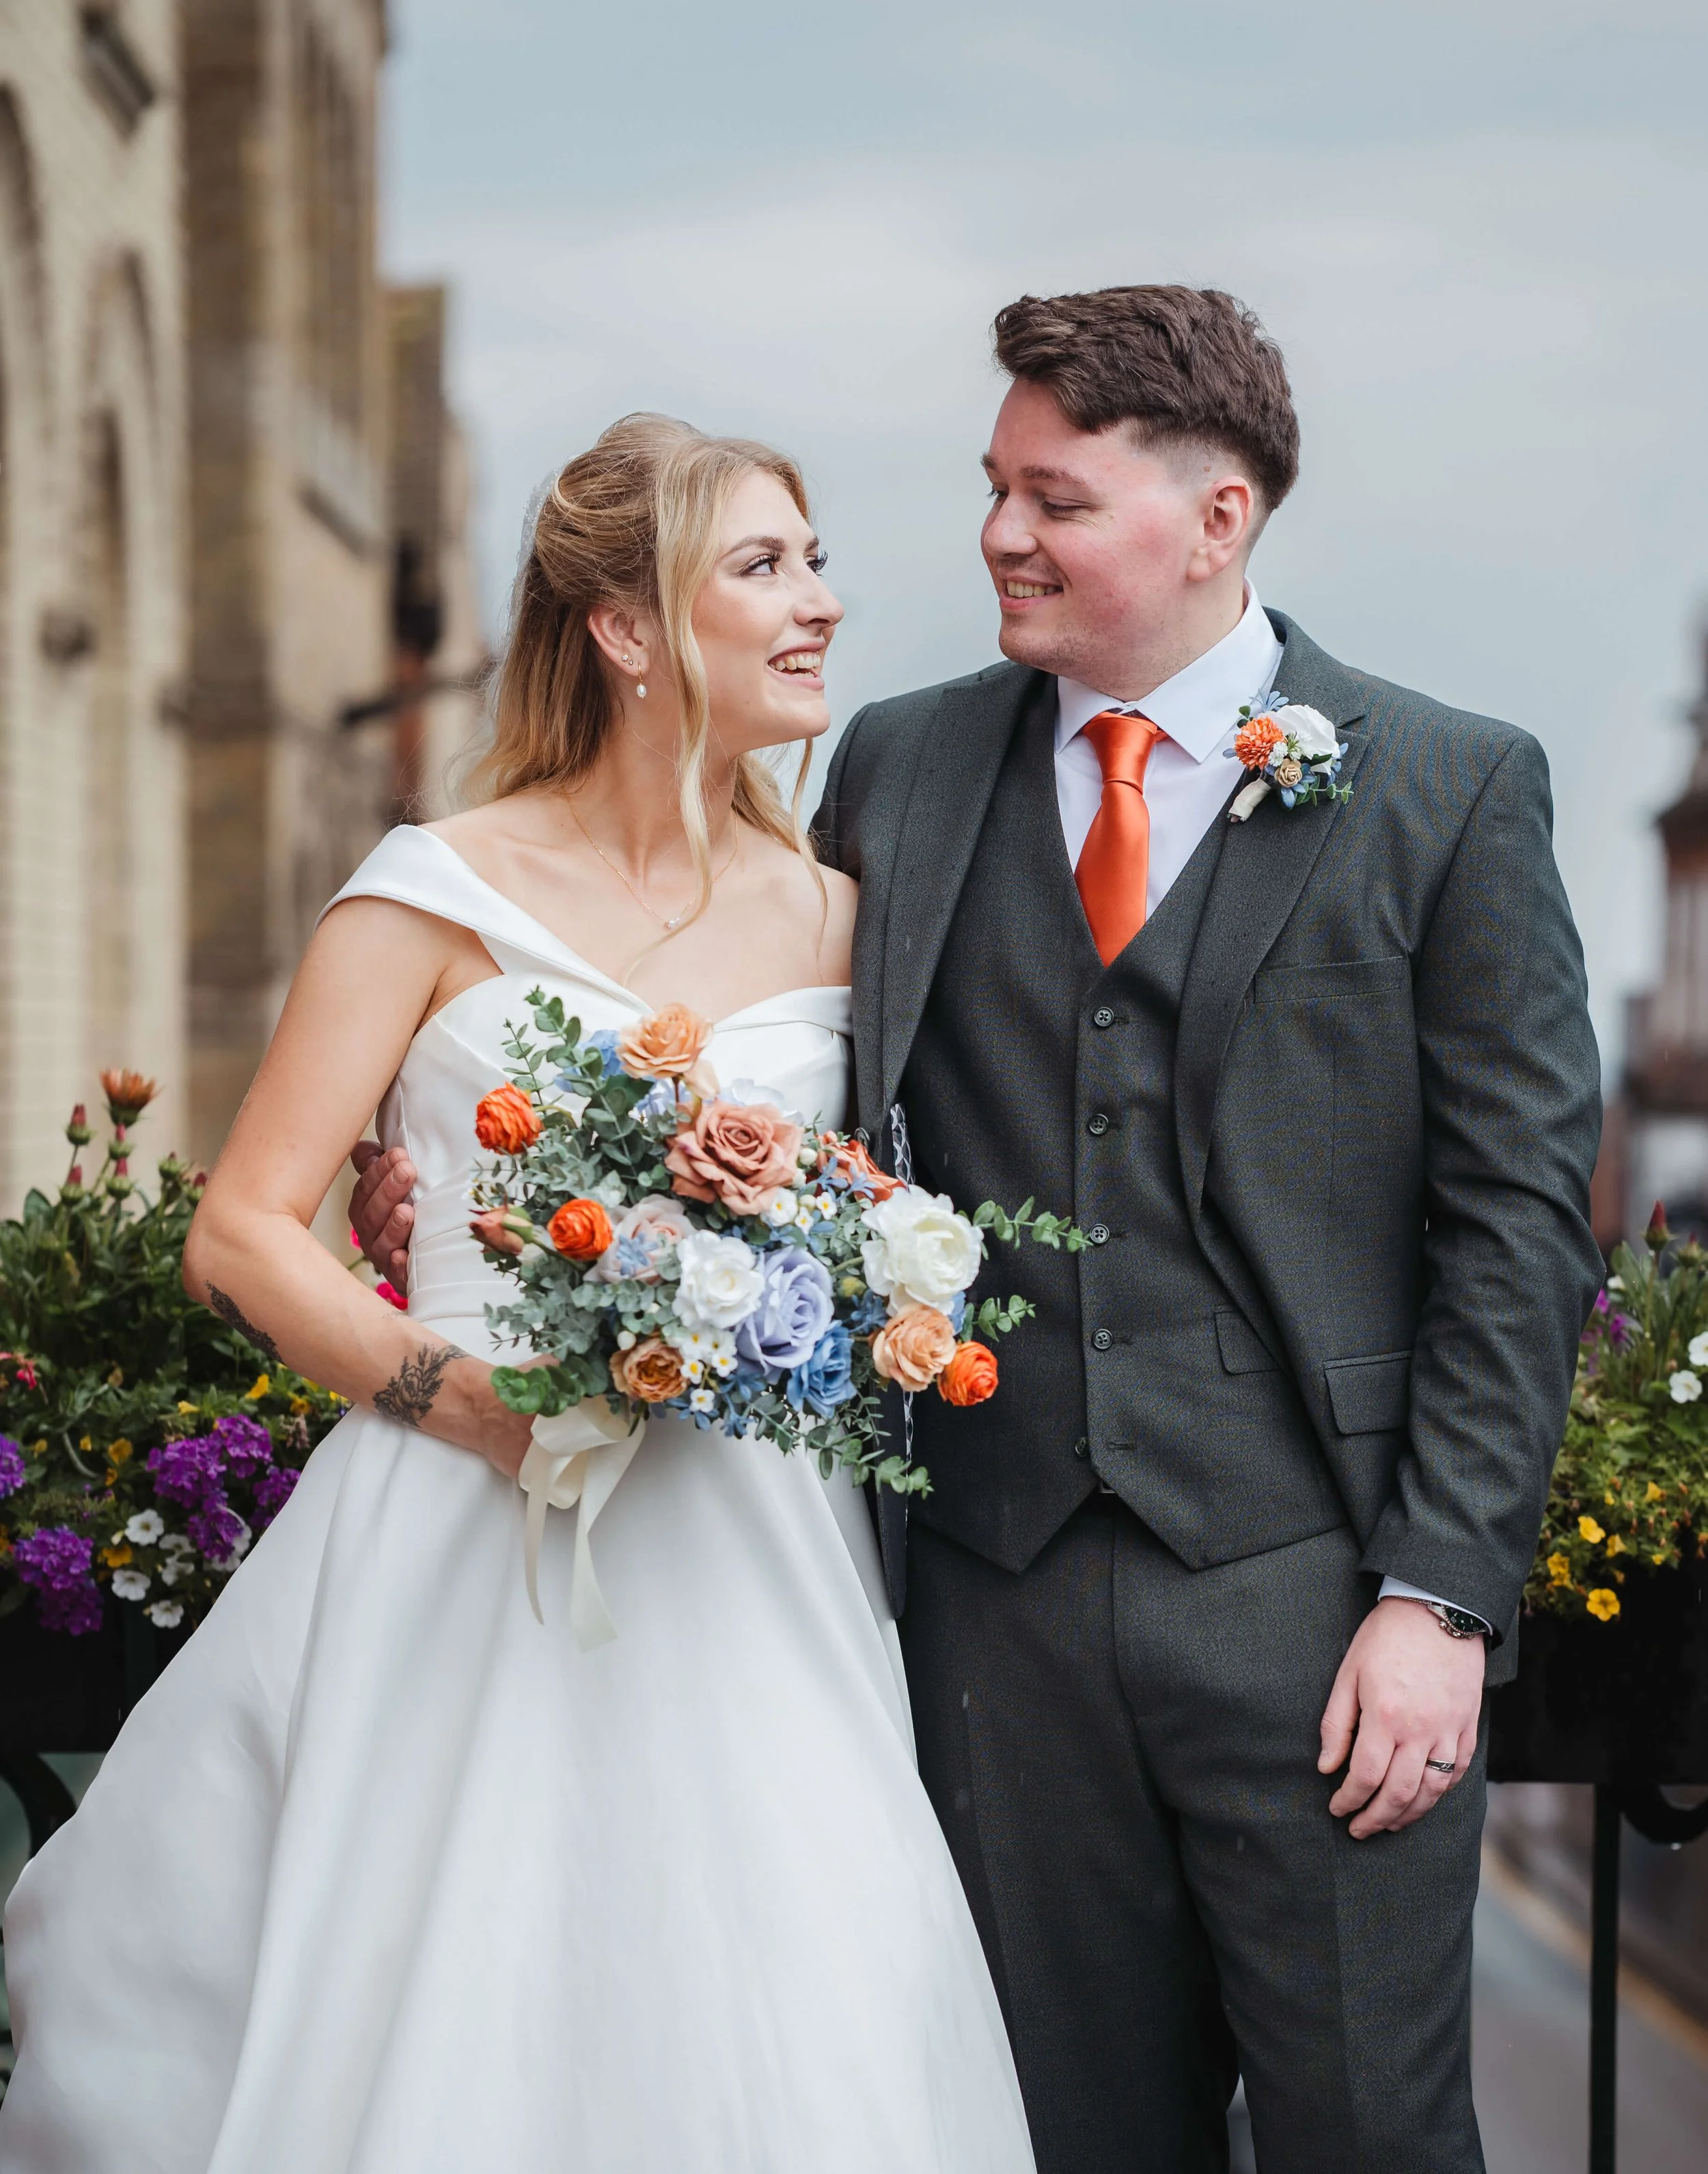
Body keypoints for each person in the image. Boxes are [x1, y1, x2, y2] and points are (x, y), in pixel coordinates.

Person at [355, 286, 1609, 2174]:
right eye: (991, 486)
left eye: (1055, 497)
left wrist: (1436, 1601)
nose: (997, 535)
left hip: (1319, 1610)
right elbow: (731, 1069)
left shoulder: (1445, 787)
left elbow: (1515, 1227)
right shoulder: (902, 770)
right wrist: (445, 1171)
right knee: (1057, 2134)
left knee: (1372, 2130)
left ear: (1216, 523)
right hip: (981, 1605)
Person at [0, 417, 1037, 2174]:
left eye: (816, 558)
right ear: (624, 629)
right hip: (456, 1530)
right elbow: (243, 1228)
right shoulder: (427, 893)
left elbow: (887, 1207)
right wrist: (460, 1403)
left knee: (800, 1999)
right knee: (441, 1998)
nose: (823, 605)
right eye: (764, 566)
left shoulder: (853, 918)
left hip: (755, 1551)